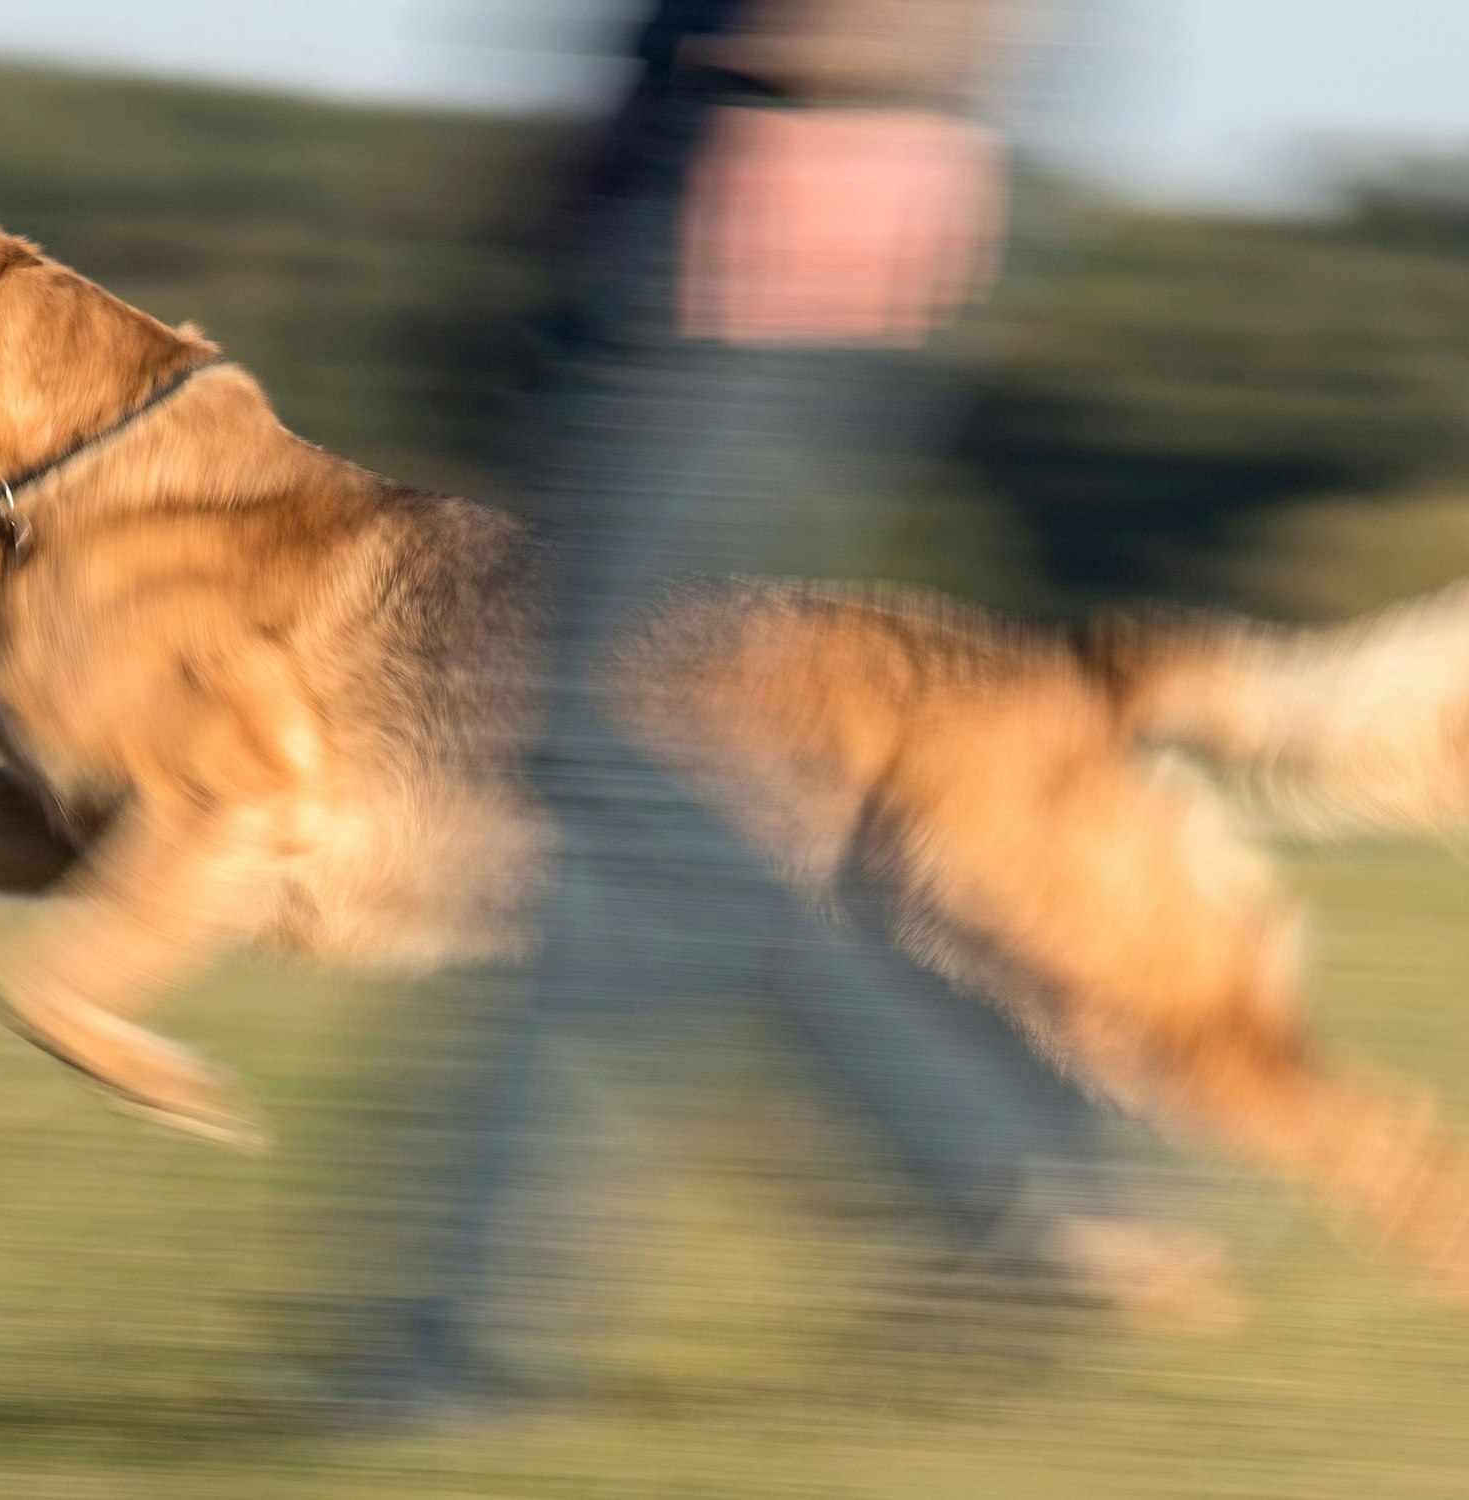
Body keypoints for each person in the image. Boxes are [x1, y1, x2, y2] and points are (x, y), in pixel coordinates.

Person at [345, 0, 1233, 1417]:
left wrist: (857, 80)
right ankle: (446, 1344)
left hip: (784, 164)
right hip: (688, 155)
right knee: (587, 766)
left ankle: (998, 1163)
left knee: (594, 747)